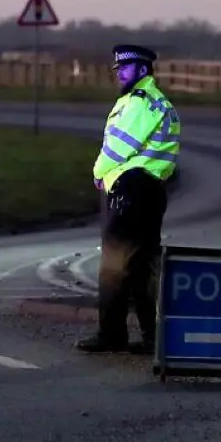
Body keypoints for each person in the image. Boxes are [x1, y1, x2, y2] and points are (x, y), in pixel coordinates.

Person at [76, 44, 181, 355]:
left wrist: (98, 173)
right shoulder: (156, 103)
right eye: (118, 68)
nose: (119, 72)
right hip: (148, 191)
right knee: (142, 265)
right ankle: (151, 336)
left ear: (143, 70)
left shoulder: (140, 104)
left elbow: (119, 147)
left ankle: (111, 334)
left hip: (130, 189)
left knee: (114, 265)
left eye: (125, 67)